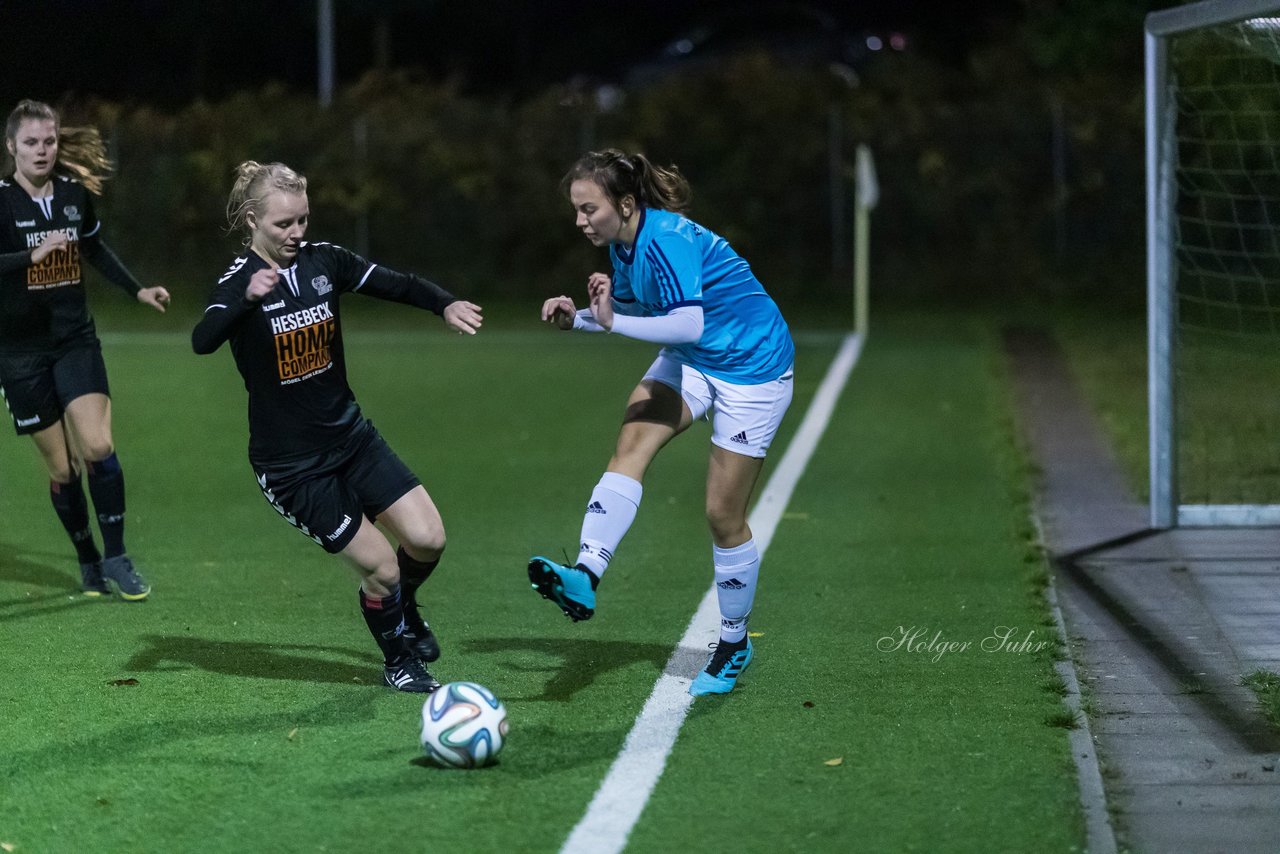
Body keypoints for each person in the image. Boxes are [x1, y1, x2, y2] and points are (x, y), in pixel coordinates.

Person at [192, 161, 482, 693]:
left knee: (428, 540)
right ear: (254, 219)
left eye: (302, 220)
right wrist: (247, 299)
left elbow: (395, 283)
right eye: (284, 224)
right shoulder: (238, 282)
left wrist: (444, 303)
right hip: (293, 469)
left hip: (352, 439)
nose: (296, 233)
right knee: (382, 570)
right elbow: (203, 338)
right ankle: (398, 661)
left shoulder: (325, 261)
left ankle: (402, 606)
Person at [529, 149, 795, 697]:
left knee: (723, 514)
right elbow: (627, 319)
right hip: (697, 357)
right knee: (630, 445)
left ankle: (733, 641)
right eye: (576, 211)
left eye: (588, 209)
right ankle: (584, 575)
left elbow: (688, 322)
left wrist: (607, 322)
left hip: (752, 367)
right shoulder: (624, 246)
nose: (579, 222)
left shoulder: (667, 240)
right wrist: (574, 321)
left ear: (625, 204)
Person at [0, 99, 170, 601]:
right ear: (11, 146)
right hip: (19, 353)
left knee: (96, 447)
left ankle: (116, 557)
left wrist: (136, 289)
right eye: (31, 142)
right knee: (63, 469)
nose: (42, 150)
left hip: (75, 339)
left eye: (49, 141)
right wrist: (30, 255)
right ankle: (88, 559)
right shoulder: (1, 201)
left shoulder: (74, 194)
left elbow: (93, 246)